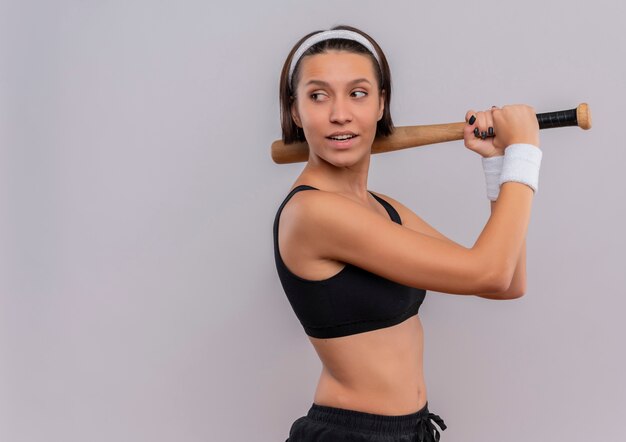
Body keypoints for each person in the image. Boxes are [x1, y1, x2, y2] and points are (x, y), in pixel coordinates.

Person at [273, 24, 542, 442]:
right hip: (352, 435)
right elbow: (488, 271)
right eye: (318, 95)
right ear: (295, 112)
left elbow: (505, 282)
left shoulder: (382, 208)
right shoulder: (313, 213)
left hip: (412, 430)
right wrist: (525, 154)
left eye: (357, 93)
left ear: (381, 104)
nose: (340, 113)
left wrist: (498, 164)